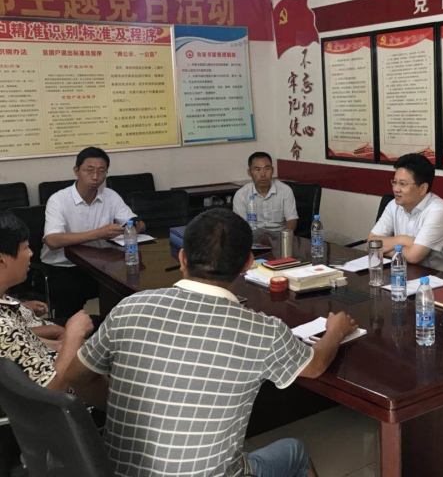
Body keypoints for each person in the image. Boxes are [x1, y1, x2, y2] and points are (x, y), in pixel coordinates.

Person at [65, 208, 358, 477]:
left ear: (182, 258)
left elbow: (76, 375)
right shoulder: (262, 331)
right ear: (248, 264)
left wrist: (130, 413)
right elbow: (315, 365)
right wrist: (335, 331)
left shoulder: (130, 307)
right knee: (296, 451)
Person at [0, 212, 93, 475]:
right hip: (68, 416)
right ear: (2, 259)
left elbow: (24, 345)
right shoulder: (3, 328)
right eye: (25, 248)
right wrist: (73, 335)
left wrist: (61, 342)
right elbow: (53, 394)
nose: (31, 254)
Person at [41, 147, 145, 319]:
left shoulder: (110, 196)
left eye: (101, 171)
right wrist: (99, 233)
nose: (96, 177)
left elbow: (134, 221)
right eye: (89, 170)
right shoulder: (58, 200)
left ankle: (113, 327)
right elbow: (52, 240)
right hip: (64, 266)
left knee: (127, 285)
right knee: (70, 297)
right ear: (76, 171)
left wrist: (134, 226)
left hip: (100, 264)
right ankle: (69, 332)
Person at [368, 153, 443, 276]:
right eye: (394, 182)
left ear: (423, 188)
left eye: (403, 184)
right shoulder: (394, 205)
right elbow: (371, 243)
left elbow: (413, 256)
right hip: (409, 273)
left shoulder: (438, 211)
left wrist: (384, 250)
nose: (396, 189)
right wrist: (402, 240)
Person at [233, 152, 299, 232]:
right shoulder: (241, 195)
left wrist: (283, 237)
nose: (263, 174)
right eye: (257, 169)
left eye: (267, 169)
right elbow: (240, 226)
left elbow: (292, 221)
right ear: (249, 172)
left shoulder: (285, 190)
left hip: (279, 235)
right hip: (253, 236)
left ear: (272, 170)